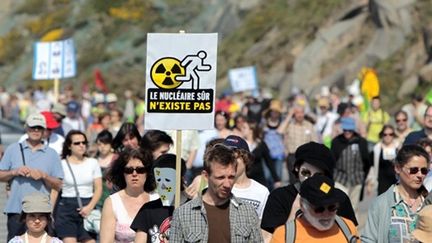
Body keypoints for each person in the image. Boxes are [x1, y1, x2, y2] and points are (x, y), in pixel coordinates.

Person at [261, 142, 357, 241]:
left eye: (318, 176)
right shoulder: (279, 197)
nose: (310, 179)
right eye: (306, 173)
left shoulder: (340, 198)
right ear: (297, 169)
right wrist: (294, 212)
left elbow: (352, 234)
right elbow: (268, 238)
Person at [170, 142, 263, 242]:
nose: (227, 184)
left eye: (231, 177)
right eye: (220, 178)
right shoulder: (183, 214)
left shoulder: (247, 212)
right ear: (206, 176)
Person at [0, 113, 64, 241]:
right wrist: (14, 172)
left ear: (44, 131)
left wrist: (44, 176)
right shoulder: (13, 149)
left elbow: (59, 184)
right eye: (32, 127)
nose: (35, 130)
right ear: (26, 128)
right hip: (17, 209)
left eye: (39, 128)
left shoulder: (52, 154)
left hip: (41, 212)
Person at [362, 144, 430, 243]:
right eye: (414, 170)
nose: (420, 175)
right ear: (398, 168)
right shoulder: (381, 204)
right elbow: (368, 240)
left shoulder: (428, 203)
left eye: (424, 171)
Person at [270, 174, 359, 243]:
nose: (326, 214)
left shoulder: (347, 227)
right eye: (319, 209)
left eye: (332, 207)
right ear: (302, 205)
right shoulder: (283, 236)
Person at [100, 148, 158, 243]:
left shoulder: (157, 199)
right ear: (122, 173)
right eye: (129, 170)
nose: (134, 174)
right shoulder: (112, 202)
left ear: (148, 172)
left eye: (140, 170)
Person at [55, 130, 102, 243]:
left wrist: (90, 207)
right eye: (77, 143)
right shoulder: (61, 164)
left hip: (88, 206)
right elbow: (55, 190)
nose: (81, 145)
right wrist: (49, 212)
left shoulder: (93, 162)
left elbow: (98, 188)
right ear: (69, 146)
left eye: (84, 142)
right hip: (66, 207)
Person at [131, 153, 188, 243]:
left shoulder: (193, 209)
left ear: (181, 179)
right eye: (159, 180)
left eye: (167, 180)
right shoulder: (148, 210)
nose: (162, 186)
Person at [222, 135, 270, 219]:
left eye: (234, 157)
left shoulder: (262, 192)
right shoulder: (214, 187)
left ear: (246, 159)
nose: (229, 162)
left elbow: (265, 228)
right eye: (225, 158)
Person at [331, 117, 370, 212]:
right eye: (345, 129)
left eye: (350, 129)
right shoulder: (336, 142)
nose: (347, 132)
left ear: (353, 129)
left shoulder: (361, 142)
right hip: (340, 179)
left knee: (353, 207)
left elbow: (367, 162)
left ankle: (352, 226)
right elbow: (331, 161)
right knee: (340, 206)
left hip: (356, 179)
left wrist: (364, 178)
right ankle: (340, 226)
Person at [242, 120, 281, 189]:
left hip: (259, 179)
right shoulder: (241, 144)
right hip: (244, 179)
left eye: (244, 128)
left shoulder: (261, 144)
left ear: (251, 130)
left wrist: (276, 179)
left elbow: (269, 162)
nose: (242, 129)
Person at [365, 125, 399, 196]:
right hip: (381, 183)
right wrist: (369, 183)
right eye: (385, 134)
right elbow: (372, 167)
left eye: (390, 134)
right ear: (382, 135)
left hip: (396, 182)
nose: (388, 136)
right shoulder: (376, 148)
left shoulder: (398, 147)